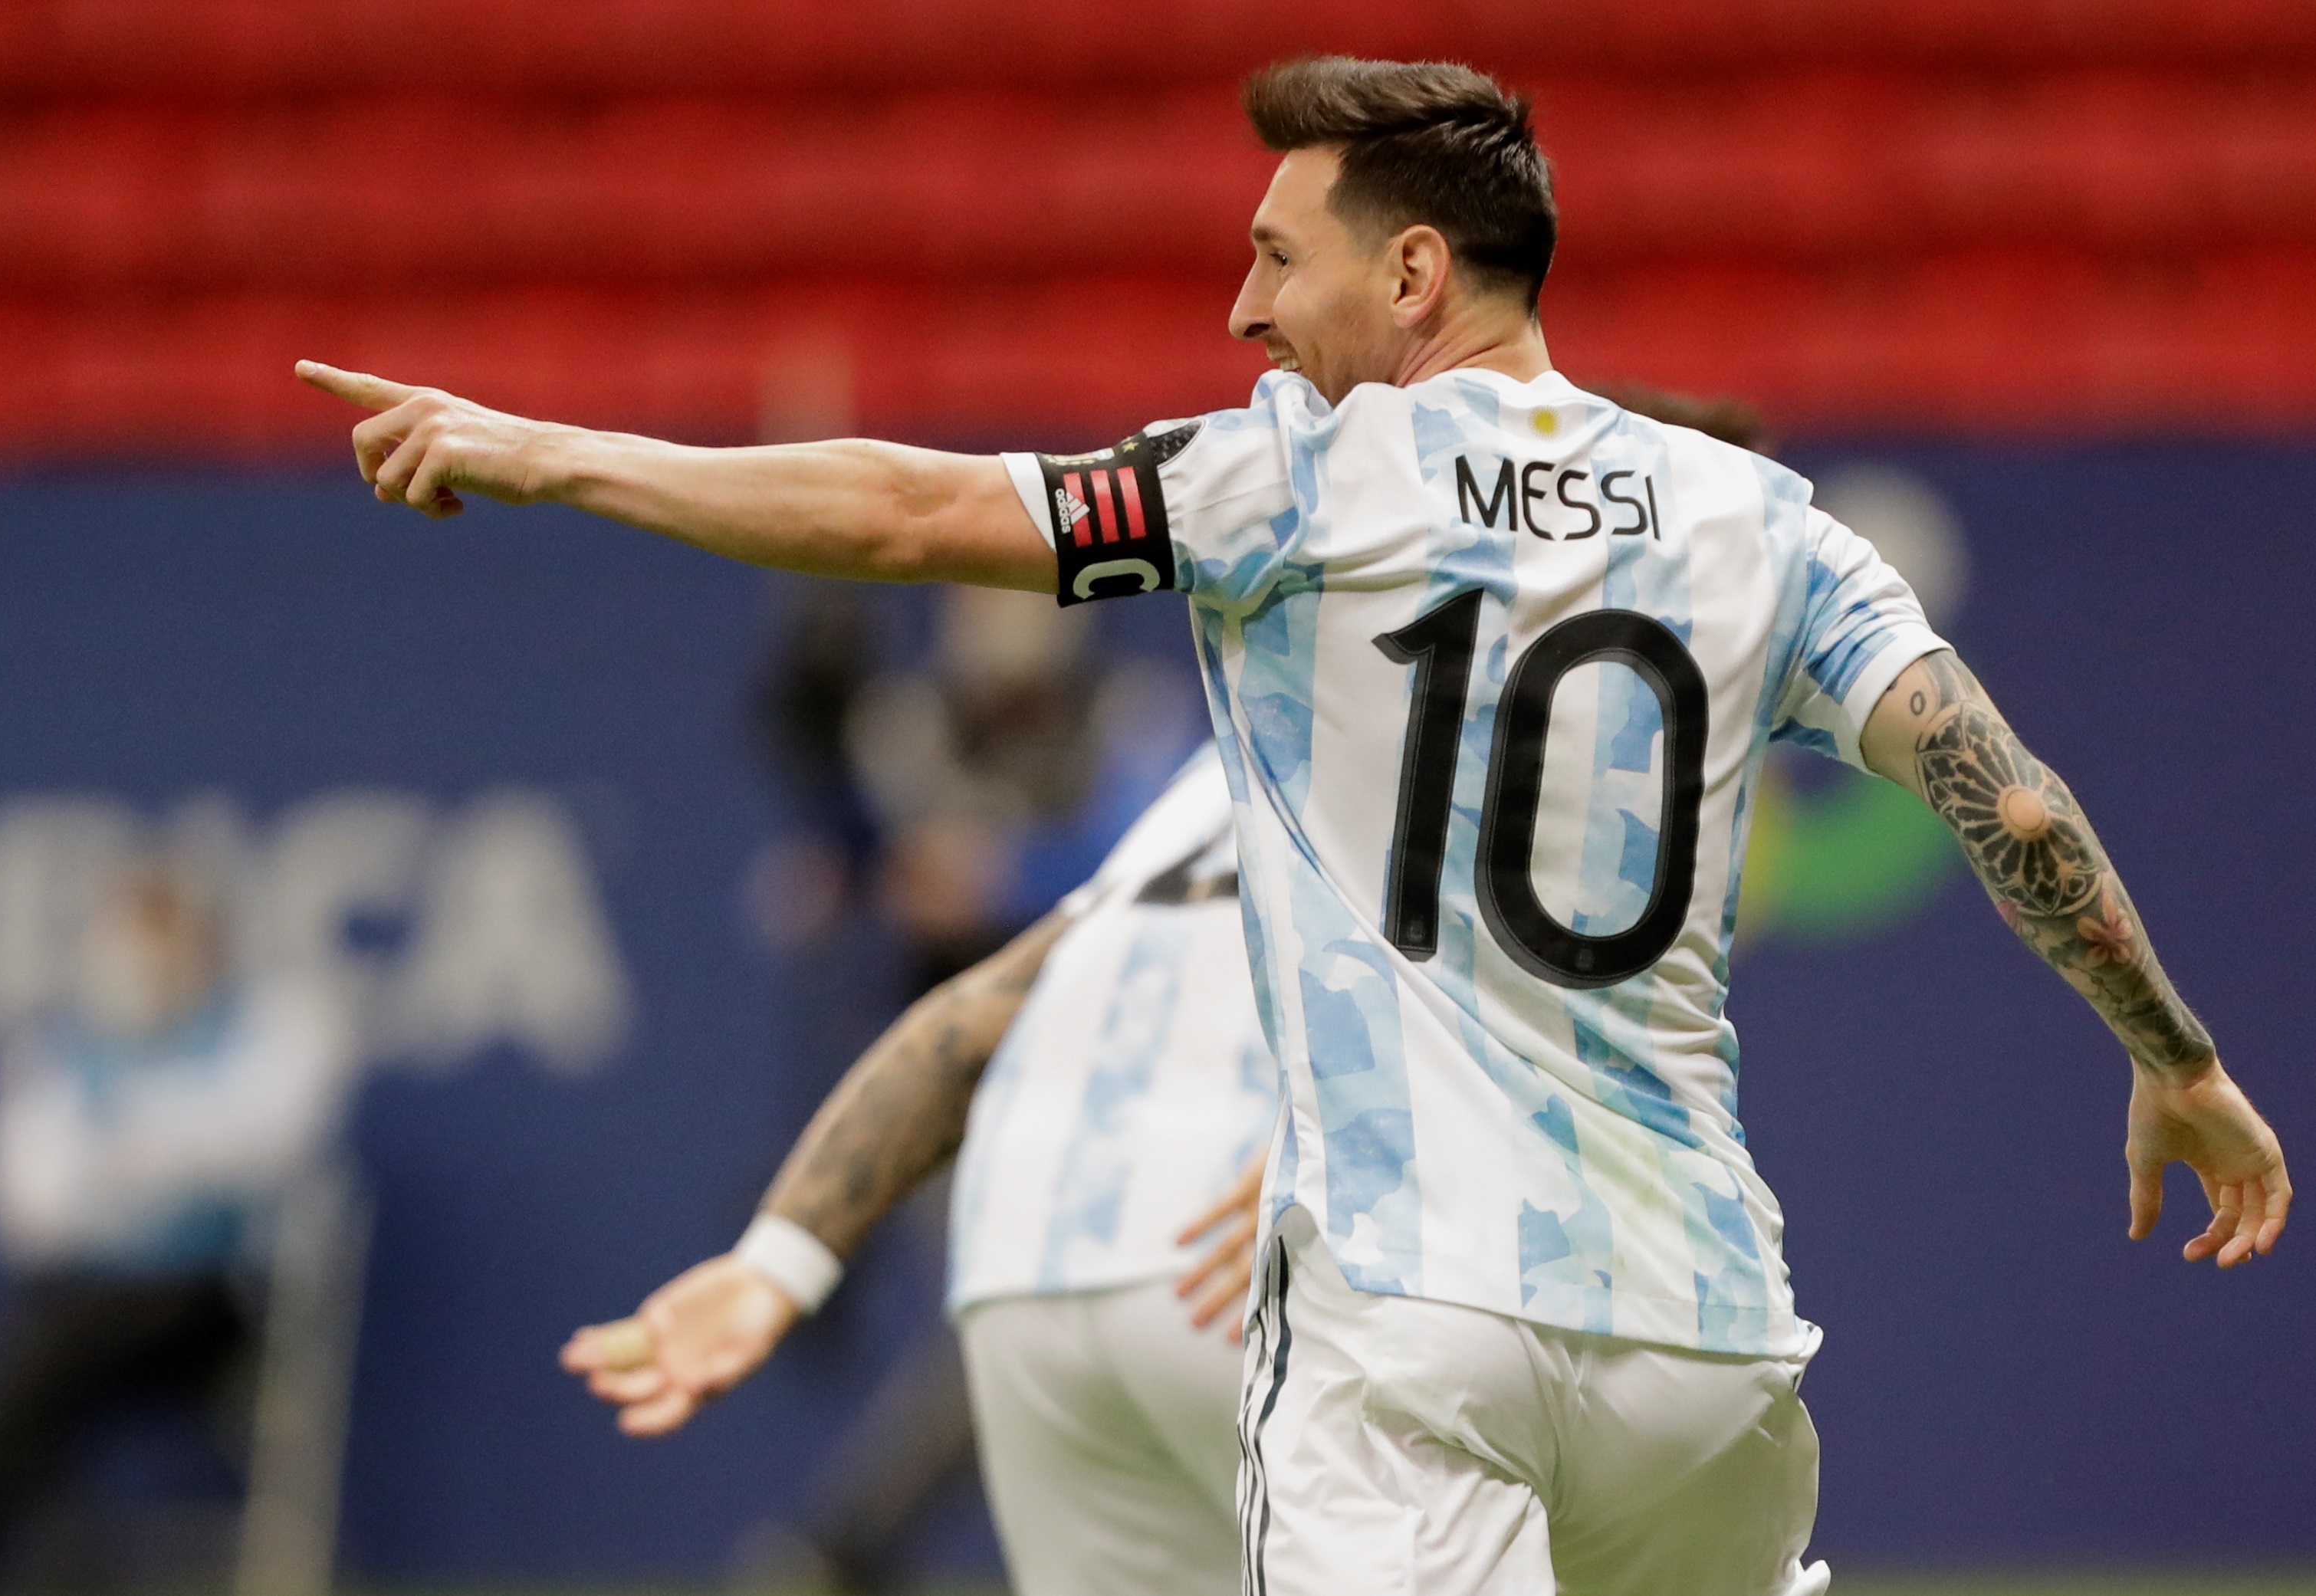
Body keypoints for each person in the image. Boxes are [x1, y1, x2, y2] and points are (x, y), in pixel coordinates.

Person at [301, 54, 2288, 1596]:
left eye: (1276, 255)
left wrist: (552, 452)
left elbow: (909, 513)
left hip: (1407, 1339)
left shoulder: (1290, 487)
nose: (1243, 309)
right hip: (1708, 1349)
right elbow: (2005, 791)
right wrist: (2173, 1057)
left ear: (1410, 273)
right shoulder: (1759, 519)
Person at [566, 744, 1275, 1596]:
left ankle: (835, 1552)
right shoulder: (1447, 726)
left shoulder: (1214, 771)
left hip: (1025, 1267)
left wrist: (776, 1262)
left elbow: (971, 1022)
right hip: (1239, 1256)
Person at [0, 863, 356, 1591]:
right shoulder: (62, 1050)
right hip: (80, 1315)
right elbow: (23, 1207)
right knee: (51, 1332)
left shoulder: (272, 1026)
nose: (144, 967)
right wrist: (148, 1168)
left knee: (64, 1332)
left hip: (220, 1310)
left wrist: (121, 1162)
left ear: (206, 944)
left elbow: (264, 1145)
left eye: (164, 943)